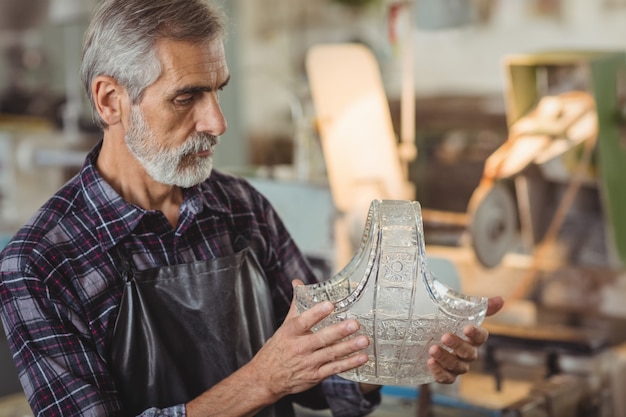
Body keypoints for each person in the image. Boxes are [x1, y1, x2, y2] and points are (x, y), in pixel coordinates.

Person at [0, 0, 505, 416]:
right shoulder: (39, 264)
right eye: (186, 97)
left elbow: (321, 369)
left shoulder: (240, 207)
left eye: (217, 92)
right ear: (111, 101)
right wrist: (263, 380)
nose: (217, 122)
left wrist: (409, 353)